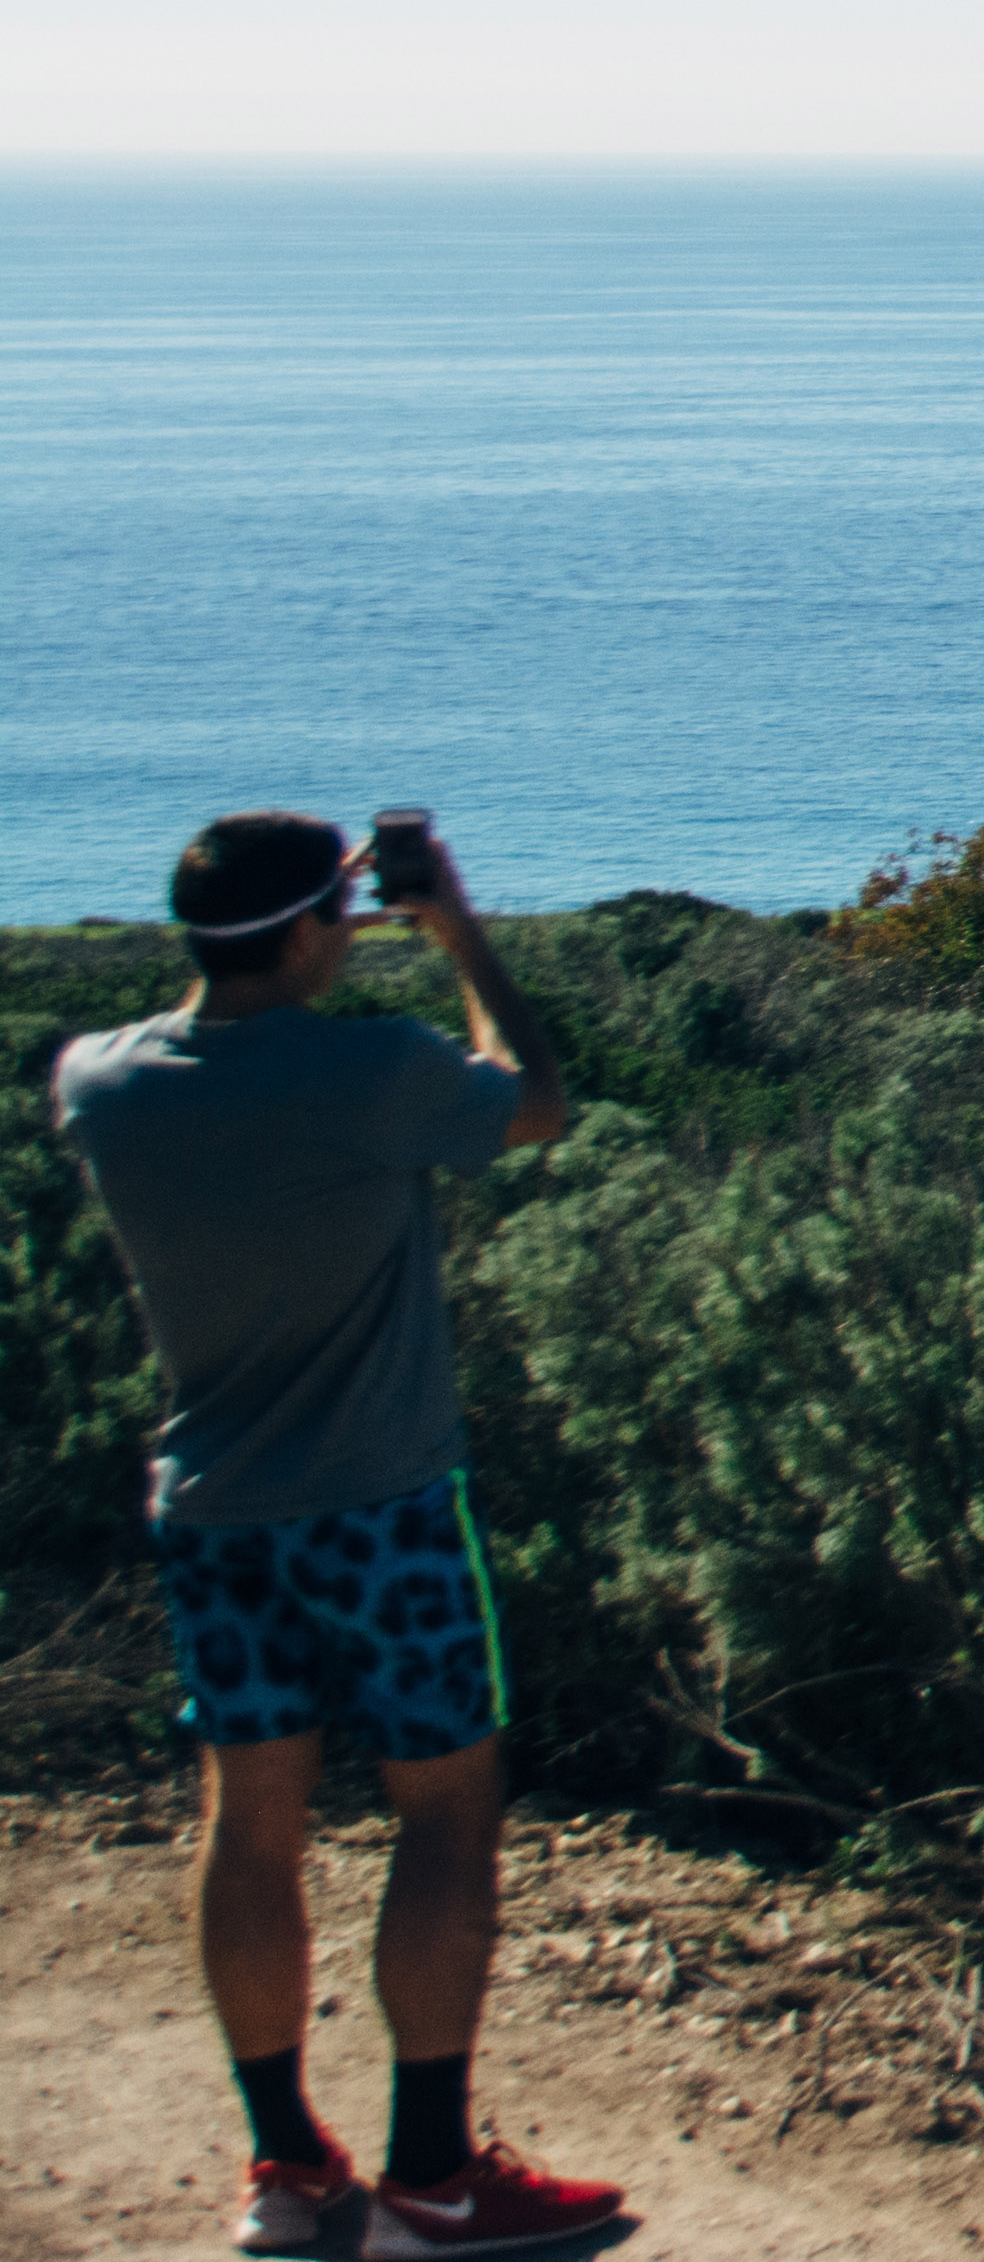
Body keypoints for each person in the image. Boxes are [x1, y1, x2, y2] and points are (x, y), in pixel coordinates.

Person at [50, 810, 619, 2260]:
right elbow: (537, 1099)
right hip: (382, 1504)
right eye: (343, 914)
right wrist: (454, 929)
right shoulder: (371, 1072)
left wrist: (346, 919)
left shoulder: (100, 1082)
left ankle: (288, 2171)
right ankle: (432, 2175)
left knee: (251, 1821)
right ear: (312, 929)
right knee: (445, 1806)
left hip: (214, 1511)